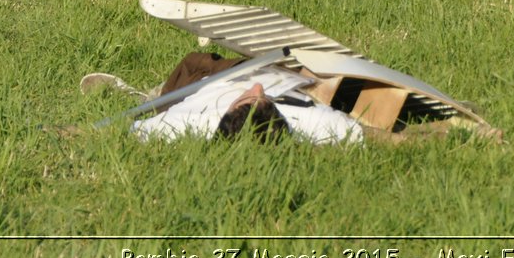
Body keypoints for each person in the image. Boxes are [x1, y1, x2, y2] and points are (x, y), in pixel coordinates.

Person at [130, 53, 363, 145]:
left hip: (210, 82)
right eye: (263, 99)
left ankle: (140, 94)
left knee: (187, 71)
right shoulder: (306, 122)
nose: (258, 89)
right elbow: (364, 134)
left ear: (229, 110)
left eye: (250, 98)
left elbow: (134, 130)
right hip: (281, 75)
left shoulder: (188, 123)